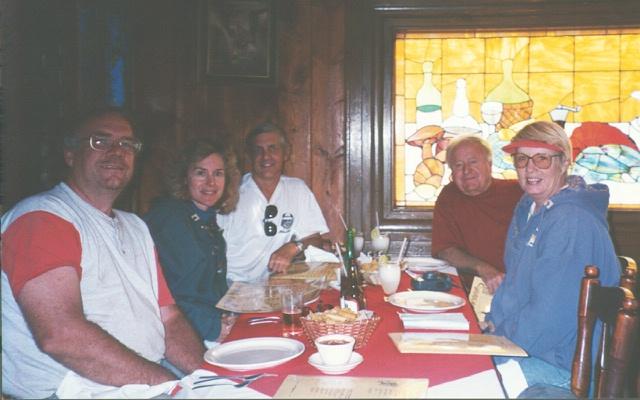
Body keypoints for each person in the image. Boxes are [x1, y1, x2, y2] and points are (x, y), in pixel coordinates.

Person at [1, 108, 204, 398]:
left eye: (127, 144)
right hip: (77, 390)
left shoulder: (136, 226)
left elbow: (169, 318)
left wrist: (208, 377)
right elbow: (61, 336)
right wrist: (167, 384)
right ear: (70, 154)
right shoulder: (42, 218)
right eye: (100, 141)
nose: (117, 151)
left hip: (145, 376)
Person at [486, 121, 619, 392]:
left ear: (564, 162)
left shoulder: (571, 220)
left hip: (562, 367)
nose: (530, 168)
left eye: (542, 159)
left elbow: (549, 319)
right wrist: (492, 324)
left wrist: (494, 341)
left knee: (465, 382)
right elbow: (516, 287)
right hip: (530, 348)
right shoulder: (528, 208)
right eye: (522, 159)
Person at [144, 138, 240, 347]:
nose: (211, 183)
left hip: (206, 325)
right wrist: (214, 327)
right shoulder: (171, 218)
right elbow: (171, 296)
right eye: (200, 173)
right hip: (179, 336)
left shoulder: (204, 217)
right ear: (184, 177)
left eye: (218, 173)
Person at [218, 122, 331, 283]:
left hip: (276, 284)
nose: (266, 156)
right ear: (249, 156)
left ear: (285, 154)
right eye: (258, 150)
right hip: (233, 284)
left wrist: (293, 247)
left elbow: (315, 240)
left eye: (273, 148)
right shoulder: (230, 191)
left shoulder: (297, 189)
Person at [431, 135, 522, 293]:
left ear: (489, 164)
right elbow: (445, 250)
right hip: (472, 289)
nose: (467, 170)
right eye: (458, 165)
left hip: (519, 285)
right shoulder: (450, 196)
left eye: (473, 162)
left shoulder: (518, 192)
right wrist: (482, 268)